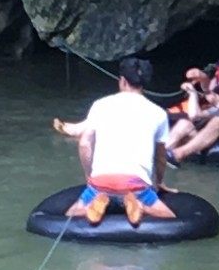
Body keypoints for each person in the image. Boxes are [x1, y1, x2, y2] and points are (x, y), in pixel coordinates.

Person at [52, 56, 177, 227]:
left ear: (123, 81)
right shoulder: (158, 113)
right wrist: (160, 182)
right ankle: (140, 207)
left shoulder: (101, 105)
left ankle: (91, 208)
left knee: (70, 213)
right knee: (168, 215)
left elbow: (84, 143)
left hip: (100, 184)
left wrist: (90, 177)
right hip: (135, 186)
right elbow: (161, 156)